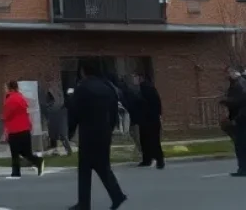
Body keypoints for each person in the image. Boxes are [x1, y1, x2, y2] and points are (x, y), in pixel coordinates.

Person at [67, 59, 126, 210]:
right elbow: (113, 112)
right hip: (104, 132)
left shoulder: (82, 88)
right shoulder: (108, 87)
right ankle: (117, 195)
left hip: (88, 133)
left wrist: (70, 130)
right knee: (102, 165)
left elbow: (75, 112)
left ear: (83, 71)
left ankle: (84, 203)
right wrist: (111, 128)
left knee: (85, 169)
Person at [221, 67, 246, 177]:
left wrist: (226, 101)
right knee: (240, 144)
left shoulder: (242, 83)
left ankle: (243, 169)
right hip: (241, 117)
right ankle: (243, 169)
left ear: (236, 72)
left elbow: (242, 100)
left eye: (230, 72)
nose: (228, 75)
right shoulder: (238, 83)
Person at [1, 81, 44, 179]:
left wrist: (4, 126)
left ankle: (16, 173)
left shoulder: (10, 99)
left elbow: (7, 115)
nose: (5, 89)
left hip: (14, 129)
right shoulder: (21, 97)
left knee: (15, 152)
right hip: (25, 128)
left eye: (5, 87)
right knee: (26, 152)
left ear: (10, 88)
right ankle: (38, 161)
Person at [134, 73, 164, 169]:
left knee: (152, 140)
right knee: (146, 140)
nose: (133, 80)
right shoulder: (146, 88)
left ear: (140, 78)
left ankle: (158, 159)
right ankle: (148, 159)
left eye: (135, 77)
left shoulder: (145, 89)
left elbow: (146, 104)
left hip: (149, 119)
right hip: (149, 119)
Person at [45, 91, 72, 155]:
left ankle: (67, 150)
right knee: (59, 136)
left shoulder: (51, 107)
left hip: (57, 123)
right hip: (56, 122)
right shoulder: (52, 107)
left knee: (60, 136)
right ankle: (64, 150)